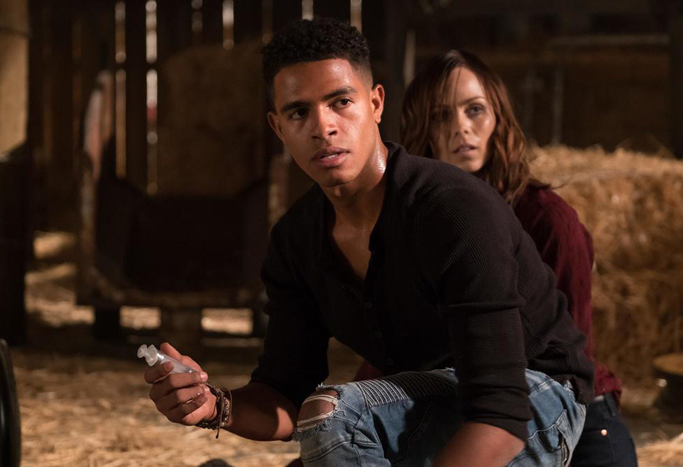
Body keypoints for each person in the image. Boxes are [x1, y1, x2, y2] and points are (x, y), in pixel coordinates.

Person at [144, 18, 594, 466]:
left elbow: (501, 414)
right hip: (429, 400)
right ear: (278, 128)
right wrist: (214, 406)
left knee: (336, 413)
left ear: (376, 103)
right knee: (326, 414)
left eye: (341, 102)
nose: (323, 127)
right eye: (299, 113)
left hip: (535, 400)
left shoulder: (454, 209)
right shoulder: (295, 241)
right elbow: (284, 393)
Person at [397, 50, 637, 466]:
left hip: (569, 410)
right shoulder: (414, 223)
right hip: (463, 409)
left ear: (498, 118)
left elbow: (568, 356)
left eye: (475, 110)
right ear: (422, 130)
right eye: (440, 116)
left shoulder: (547, 219)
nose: (461, 127)